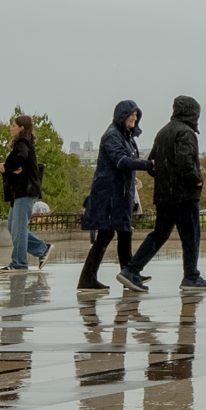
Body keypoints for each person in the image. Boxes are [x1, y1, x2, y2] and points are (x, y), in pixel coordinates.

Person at [116, 97, 206, 292]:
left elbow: (152, 164)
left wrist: (165, 177)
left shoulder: (164, 131)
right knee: (191, 235)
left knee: (159, 234)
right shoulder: (186, 132)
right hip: (184, 194)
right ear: (192, 113)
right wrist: (196, 179)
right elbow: (186, 161)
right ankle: (191, 276)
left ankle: (131, 269)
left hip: (164, 195)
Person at [79, 100, 152, 292]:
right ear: (122, 115)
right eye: (131, 115)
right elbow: (121, 161)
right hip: (109, 194)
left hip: (120, 193)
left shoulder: (125, 136)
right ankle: (89, 278)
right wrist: (149, 165)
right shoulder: (113, 135)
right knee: (106, 234)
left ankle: (129, 272)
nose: (135, 118)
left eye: (137, 115)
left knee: (124, 231)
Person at [0, 114, 50, 272]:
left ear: (22, 128)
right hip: (21, 192)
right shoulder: (24, 143)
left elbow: (21, 157)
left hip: (24, 190)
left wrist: (7, 167)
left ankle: (19, 263)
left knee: (18, 227)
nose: (11, 128)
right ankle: (42, 249)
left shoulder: (22, 142)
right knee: (13, 226)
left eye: (13, 125)